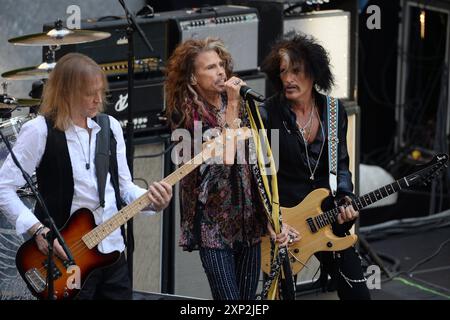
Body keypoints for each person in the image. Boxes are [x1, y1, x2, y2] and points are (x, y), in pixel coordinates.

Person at [0, 53, 172, 300]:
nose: (98, 100)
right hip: (67, 258)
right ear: (66, 92)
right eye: (90, 93)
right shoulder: (38, 130)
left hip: (112, 252)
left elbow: (124, 188)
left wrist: (154, 200)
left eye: (101, 92)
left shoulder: (109, 126)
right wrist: (37, 230)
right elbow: (4, 187)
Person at [165, 38, 289, 300]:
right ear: (192, 78)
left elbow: (263, 161)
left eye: (221, 64)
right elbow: (220, 167)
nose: (220, 71)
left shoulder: (243, 106)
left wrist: (271, 214)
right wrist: (233, 108)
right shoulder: (186, 115)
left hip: (248, 221)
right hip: (213, 226)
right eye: (210, 67)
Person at [260, 34, 371, 300]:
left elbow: (340, 164)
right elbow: (263, 174)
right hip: (286, 224)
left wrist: (345, 197)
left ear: (314, 73)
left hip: (327, 218)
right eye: (283, 71)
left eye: (296, 71)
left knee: (358, 294)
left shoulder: (333, 111)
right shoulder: (269, 115)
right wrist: (272, 220)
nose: (288, 79)